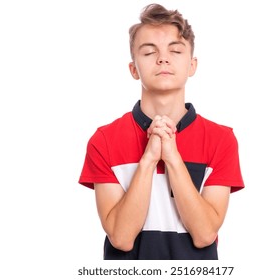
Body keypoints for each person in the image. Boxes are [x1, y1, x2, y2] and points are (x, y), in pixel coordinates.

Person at [79, 3, 244, 260]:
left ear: (192, 65)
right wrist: (148, 160)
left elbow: (204, 234)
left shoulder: (221, 140)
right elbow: (121, 238)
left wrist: (172, 158)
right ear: (134, 69)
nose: (163, 58)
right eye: (149, 52)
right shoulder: (104, 140)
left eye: (175, 50)